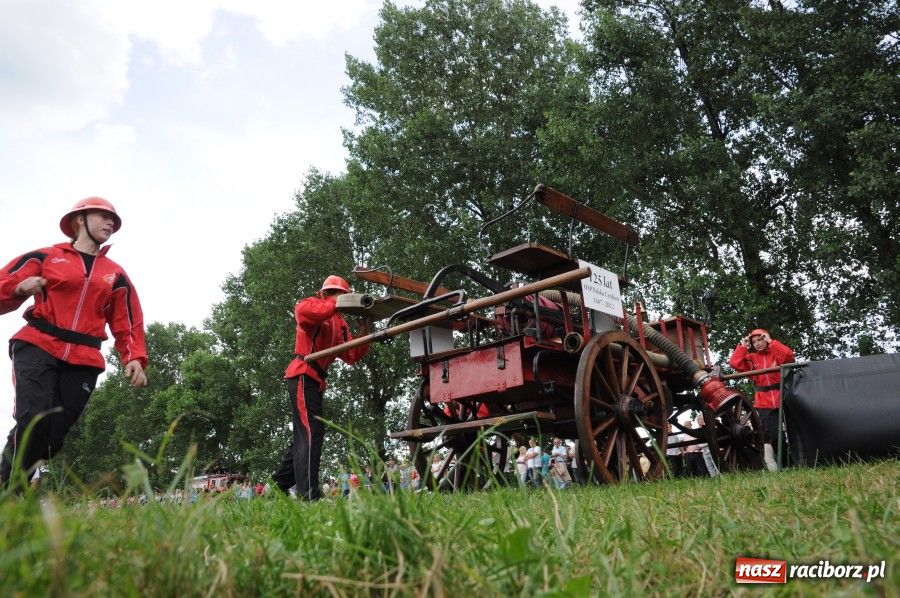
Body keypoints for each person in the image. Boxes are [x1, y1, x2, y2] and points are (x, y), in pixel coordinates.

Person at [0, 198, 148, 488]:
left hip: (84, 357)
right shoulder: (45, 257)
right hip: (38, 344)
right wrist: (18, 289)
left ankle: (11, 484)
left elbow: (128, 319)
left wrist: (133, 356)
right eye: (103, 216)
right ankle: (9, 492)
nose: (110, 223)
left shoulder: (115, 274)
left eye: (113, 220)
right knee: (34, 418)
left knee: (52, 437)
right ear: (79, 219)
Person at [271, 275, 370, 500]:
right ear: (325, 294)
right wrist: (335, 302)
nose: (339, 298)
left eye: (342, 295)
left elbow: (352, 355)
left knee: (307, 432)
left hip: (315, 380)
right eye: (335, 294)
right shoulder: (311, 305)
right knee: (310, 432)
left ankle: (277, 485)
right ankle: (309, 494)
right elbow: (303, 314)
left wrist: (364, 331)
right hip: (303, 373)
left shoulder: (341, 323)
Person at [728, 328, 795, 471]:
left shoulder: (775, 352)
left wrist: (771, 341)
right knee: (774, 436)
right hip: (764, 402)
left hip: (783, 396)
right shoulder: (751, 358)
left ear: (765, 339)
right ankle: (788, 464)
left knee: (794, 431)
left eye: (760, 339)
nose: (757, 343)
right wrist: (743, 346)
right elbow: (734, 363)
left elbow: (789, 356)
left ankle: (799, 461)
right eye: (754, 342)